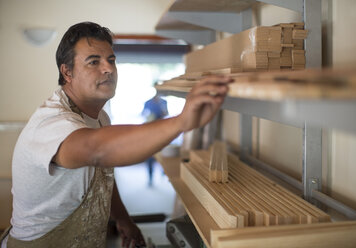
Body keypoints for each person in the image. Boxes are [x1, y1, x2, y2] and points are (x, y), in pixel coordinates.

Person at [0, 22, 233, 248]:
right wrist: (182, 122)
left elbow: (102, 173)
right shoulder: (52, 123)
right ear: (67, 71)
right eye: (94, 61)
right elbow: (98, 152)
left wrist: (123, 218)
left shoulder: (100, 117)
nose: (108, 68)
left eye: (111, 60)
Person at [141, 89, 169, 187]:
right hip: (150, 132)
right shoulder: (147, 102)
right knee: (150, 155)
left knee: (163, 153)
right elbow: (143, 114)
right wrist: (148, 116)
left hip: (162, 131)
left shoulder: (164, 102)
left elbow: (166, 114)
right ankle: (150, 178)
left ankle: (164, 171)